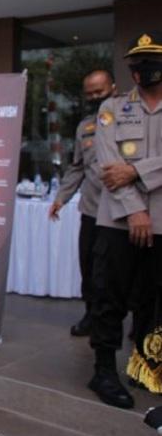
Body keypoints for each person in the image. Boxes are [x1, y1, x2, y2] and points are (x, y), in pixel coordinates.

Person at [88, 31, 162, 408]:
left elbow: (122, 169)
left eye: (152, 64)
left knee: (152, 299)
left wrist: (134, 170)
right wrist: (135, 209)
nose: (144, 72)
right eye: (138, 66)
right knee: (108, 297)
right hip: (117, 220)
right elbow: (106, 166)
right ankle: (103, 370)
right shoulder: (112, 110)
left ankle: (145, 365)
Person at [48, 69, 115, 337]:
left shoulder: (128, 120)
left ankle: (135, 321)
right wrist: (61, 198)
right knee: (87, 266)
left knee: (118, 271)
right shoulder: (85, 126)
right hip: (91, 210)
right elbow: (77, 167)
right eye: (89, 93)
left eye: (99, 91)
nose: (95, 97)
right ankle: (91, 315)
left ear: (113, 86)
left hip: (122, 212)